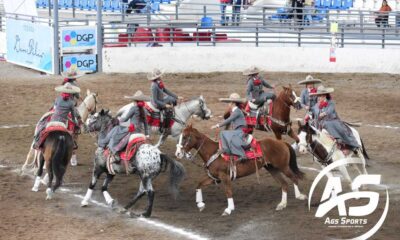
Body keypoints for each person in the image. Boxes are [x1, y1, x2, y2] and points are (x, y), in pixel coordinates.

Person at [98, 91, 150, 162]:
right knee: (119, 128)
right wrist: (147, 134)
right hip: (140, 131)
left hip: (132, 130)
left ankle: (113, 151)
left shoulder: (134, 108)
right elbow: (146, 123)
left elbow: (125, 119)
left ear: (135, 101)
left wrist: (117, 120)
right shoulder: (144, 110)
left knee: (116, 132)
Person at [309, 86, 360, 152]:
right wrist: (310, 100)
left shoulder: (331, 102)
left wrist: (324, 113)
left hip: (332, 120)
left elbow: (330, 111)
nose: (319, 98)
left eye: (320, 96)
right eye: (318, 96)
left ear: (324, 96)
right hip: (322, 122)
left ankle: (349, 143)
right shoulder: (317, 105)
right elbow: (312, 110)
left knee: (341, 130)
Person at [33, 83, 81, 150]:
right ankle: (73, 144)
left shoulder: (58, 99)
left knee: (42, 128)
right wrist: (76, 123)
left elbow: (54, 109)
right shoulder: (71, 103)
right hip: (62, 123)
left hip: (52, 121)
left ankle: (37, 143)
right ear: (71, 92)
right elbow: (73, 116)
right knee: (71, 134)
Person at [211, 93, 248, 161]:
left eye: (229, 103)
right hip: (238, 130)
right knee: (224, 133)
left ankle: (241, 155)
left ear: (233, 103)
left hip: (240, 131)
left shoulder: (237, 111)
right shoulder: (235, 111)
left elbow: (228, 120)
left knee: (223, 133)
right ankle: (226, 149)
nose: (228, 104)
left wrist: (217, 125)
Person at [148, 68, 180, 134]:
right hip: (156, 103)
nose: (161, 76)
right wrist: (165, 105)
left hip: (161, 99)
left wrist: (176, 97)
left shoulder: (159, 82)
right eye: (159, 75)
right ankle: (165, 127)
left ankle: (173, 117)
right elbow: (155, 100)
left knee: (173, 100)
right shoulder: (154, 86)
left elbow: (165, 90)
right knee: (168, 109)